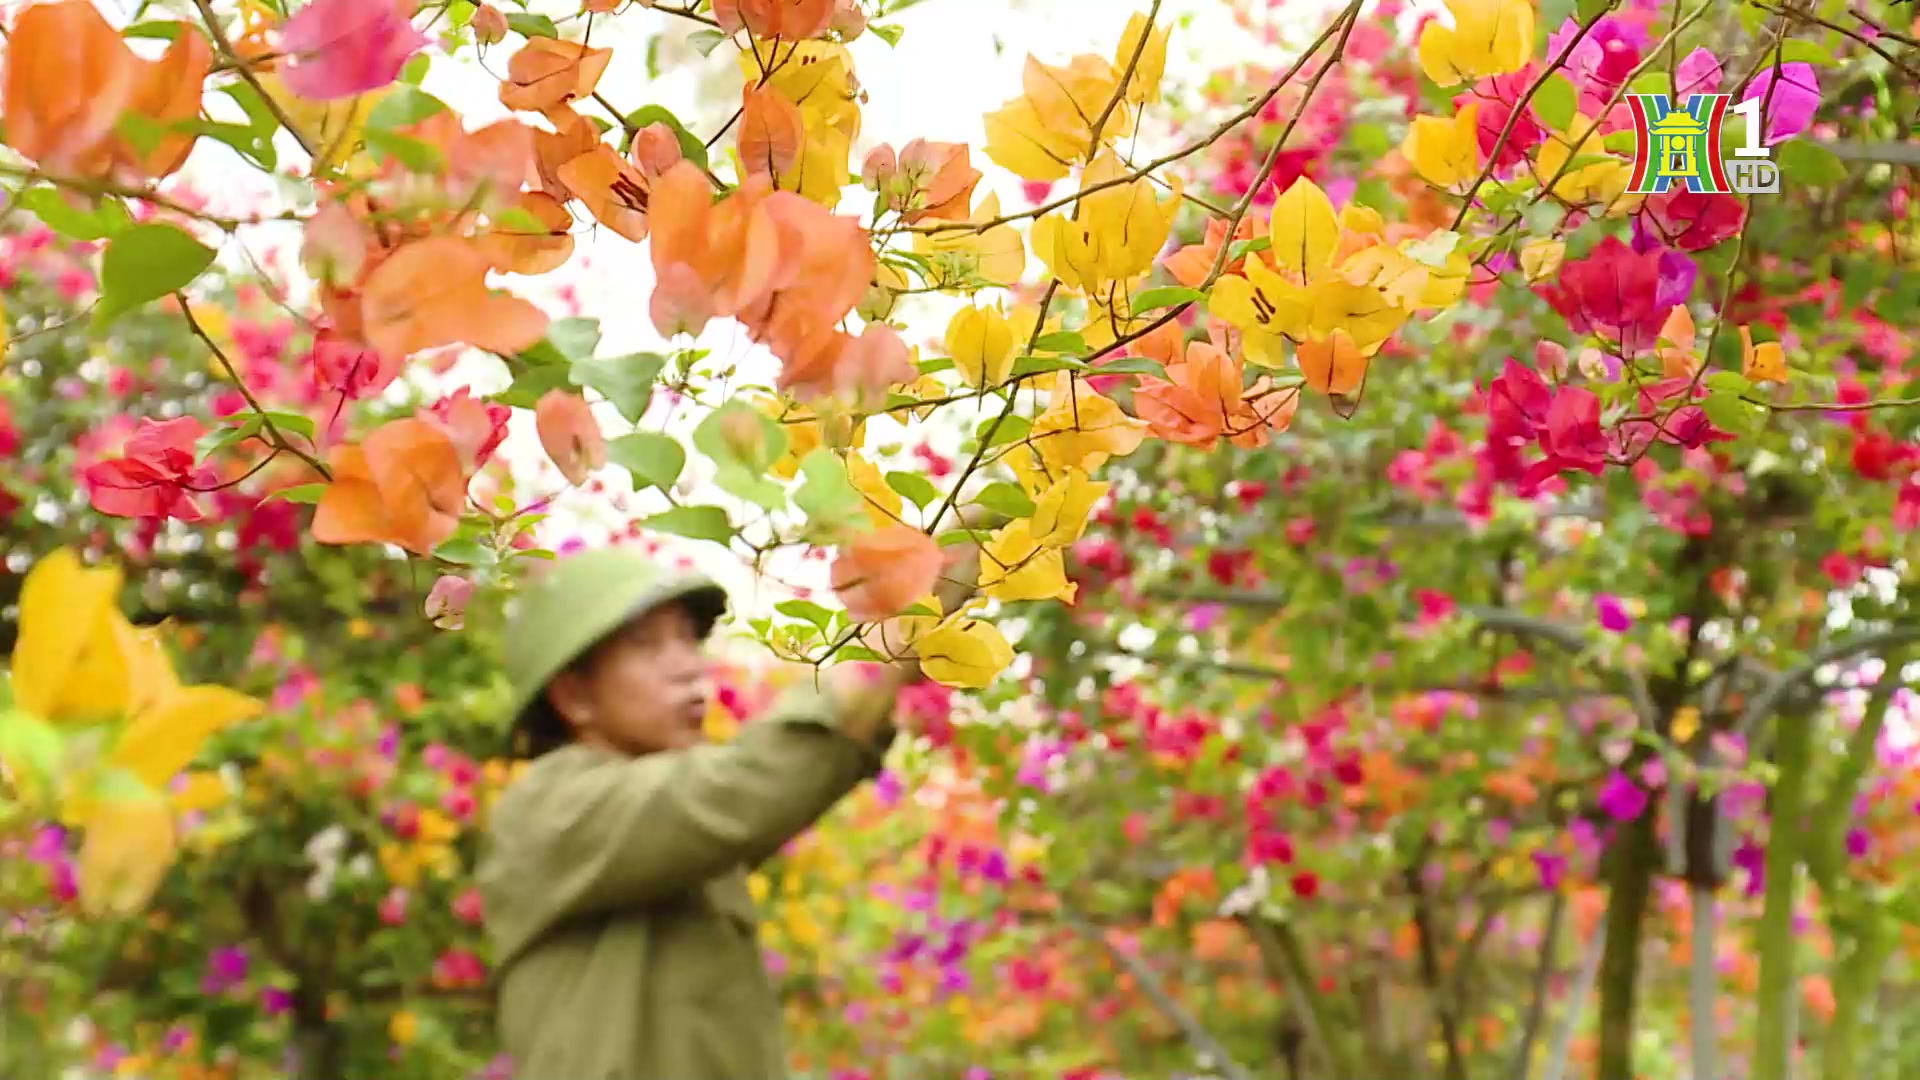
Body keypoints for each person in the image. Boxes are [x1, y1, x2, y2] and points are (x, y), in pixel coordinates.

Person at [476, 541, 976, 1080]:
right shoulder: (550, 809)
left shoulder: (664, 835)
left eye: (690, 639)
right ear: (574, 695)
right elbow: (759, 779)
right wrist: (904, 606)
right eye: (647, 645)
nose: (690, 665)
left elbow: (783, 776)